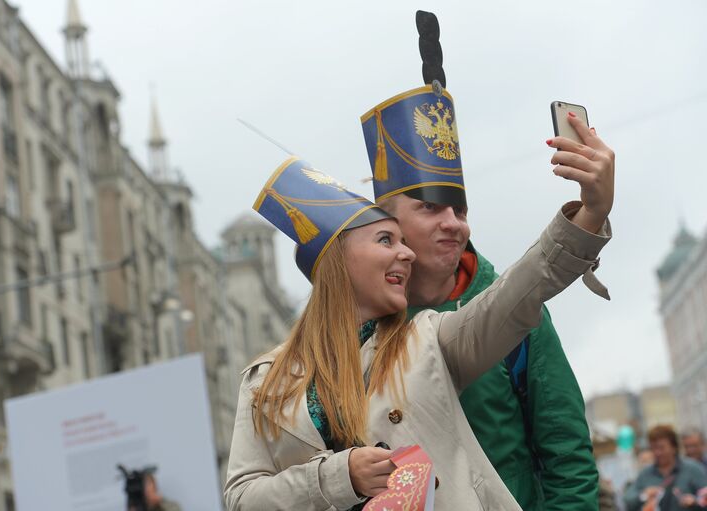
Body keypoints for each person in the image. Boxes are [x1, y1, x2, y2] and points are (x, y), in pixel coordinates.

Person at [224, 135, 613, 510]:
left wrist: (590, 214)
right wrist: (340, 477)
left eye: (403, 242)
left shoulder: (429, 339)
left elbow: (522, 290)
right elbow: (241, 498)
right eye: (385, 241)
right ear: (338, 262)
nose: (406, 254)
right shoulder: (265, 380)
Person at [361, 82, 601, 511]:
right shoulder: (357, 328)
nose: (454, 223)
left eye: (461, 209)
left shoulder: (520, 313)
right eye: (430, 207)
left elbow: (568, 457)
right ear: (388, 223)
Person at [624, 425, 707, 511]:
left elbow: (705, 497)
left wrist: (695, 502)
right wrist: (644, 495)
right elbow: (628, 499)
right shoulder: (645, 474)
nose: (657, 453)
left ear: (674, 447)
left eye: (661, 448)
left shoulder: (693, 469)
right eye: (653, 448)